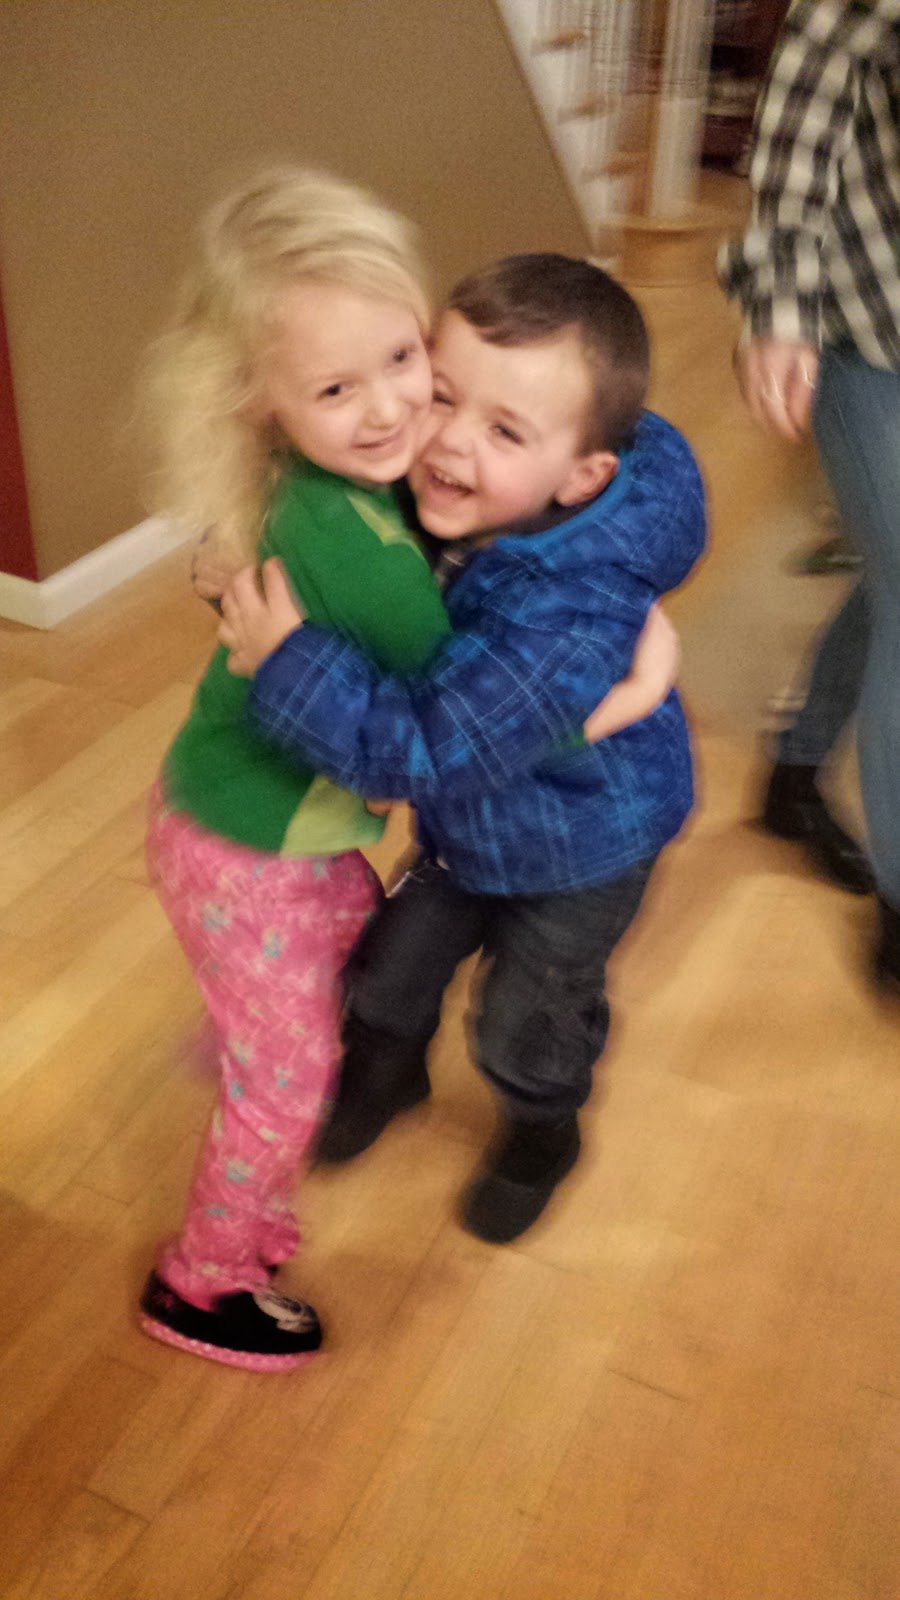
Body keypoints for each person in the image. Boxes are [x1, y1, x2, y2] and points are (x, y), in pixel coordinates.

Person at [139, 174, 679, 1368]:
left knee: (444, 978)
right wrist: (625, 692)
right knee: (325, 1041)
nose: (402, 415)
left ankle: (467, 1101)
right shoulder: (358, 534)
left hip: (443, 830)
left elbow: (438, 696)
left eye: (403, 362)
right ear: (261, 400)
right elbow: (454, 726)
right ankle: (207, 1270)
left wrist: (610, 678)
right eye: (341, 388)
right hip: (273, 838)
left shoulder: (373, 495)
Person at [218, 252, 706, 1245]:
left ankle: (541, 1128)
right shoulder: (476, 494)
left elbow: (428, 749)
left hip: (581, 845)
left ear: (584, 476)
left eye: (504, 429)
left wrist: (288, 666)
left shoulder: (567, 611)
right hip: (470, 826)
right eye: (442, 395)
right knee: (389, 969)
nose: (445, 440)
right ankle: (387, 1072)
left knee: (529, 1015)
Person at [719, 0, 900, 979]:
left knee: (890, 578)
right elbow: (805, 103)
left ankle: (795, 768)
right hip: (871, 318)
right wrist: (781, 301)